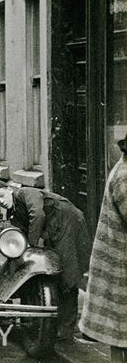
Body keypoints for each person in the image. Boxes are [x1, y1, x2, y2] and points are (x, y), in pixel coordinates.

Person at [0, 180, 92, 343]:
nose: (2, 201)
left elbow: (38, 214)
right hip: (53, 231)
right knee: (54, 273)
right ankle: (55, 326)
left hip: (68, 223)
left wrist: (32, 246)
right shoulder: (13, 213)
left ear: (8, 189)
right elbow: (18, 238)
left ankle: (66, 331)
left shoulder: (27, 193)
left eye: (1, 195)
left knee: (68, 277)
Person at [79, 133, 127, 361]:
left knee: (121, 334)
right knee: (121, 334)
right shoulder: (124, 177)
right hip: (120, 269)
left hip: (118, 265)